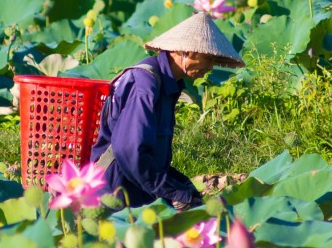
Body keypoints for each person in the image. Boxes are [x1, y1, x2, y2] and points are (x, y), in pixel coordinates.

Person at [90, 12, 245, 210]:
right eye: (208, 58)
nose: (210, 67)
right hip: (113, 194)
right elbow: (130, 151)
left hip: (138, 190)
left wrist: (182, 187)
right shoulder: (145, 83)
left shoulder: (169, 84)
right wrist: (171, 191)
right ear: (188, 52)